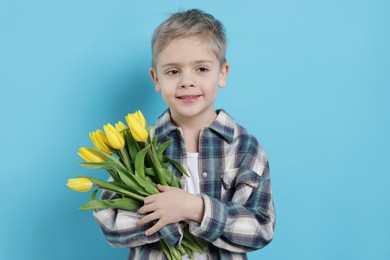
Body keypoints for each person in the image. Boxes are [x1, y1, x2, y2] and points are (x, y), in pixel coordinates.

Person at [93, 9, 275, 259]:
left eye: (201, 69)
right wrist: (164, 216)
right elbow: (110, 222)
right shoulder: (137, 146)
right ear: (156, 79)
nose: (186, 81)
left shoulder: (244, 147)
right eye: (173, 71)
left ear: (222, 73)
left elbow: (261, 228)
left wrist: (196, 209)